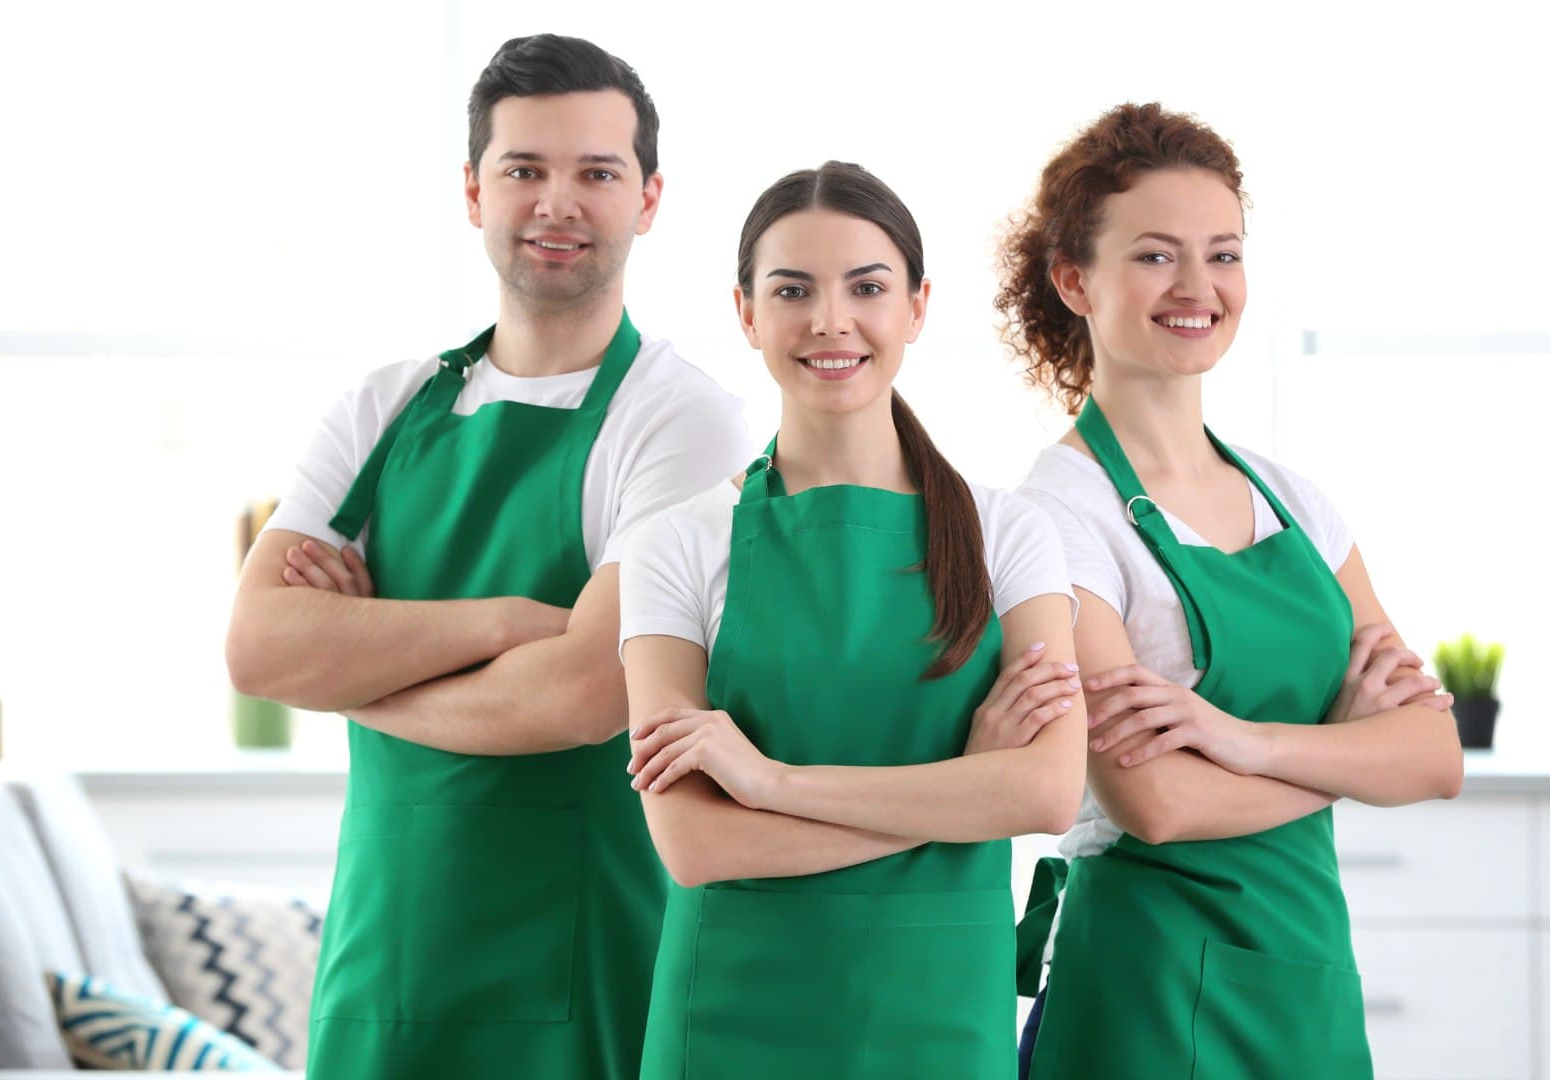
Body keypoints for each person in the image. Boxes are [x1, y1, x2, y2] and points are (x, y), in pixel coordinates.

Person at [222, 34, 753, 1079]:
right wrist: (505, 624)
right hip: (385, 965)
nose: (559, 202)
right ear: (474, 192)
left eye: (597, 173)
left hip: (582, 969)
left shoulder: (680, 421)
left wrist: (357, 674)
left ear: (649, 199)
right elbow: (258, 650)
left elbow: (580, 696)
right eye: (525, 170)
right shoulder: (383, 404)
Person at [1000, 103, 1464, 1080]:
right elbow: (1152, 799)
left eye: (1223, 253)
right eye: (1157, 256)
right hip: (1146, 999)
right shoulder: (1059, 514)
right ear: (1074, 278)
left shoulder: (1291, 501)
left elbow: (1433, 756)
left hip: (1305, 982)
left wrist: (1236, 738)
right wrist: (1349, 751)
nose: (1198, 287)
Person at [617, 161, 1085, 1080]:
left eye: (866, 287)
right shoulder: (677, 544)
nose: (832, 320)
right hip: (730, 1022)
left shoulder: (1010, 535)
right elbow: (697, 841)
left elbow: (1044, 793)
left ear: (916, 307)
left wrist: (769, 782)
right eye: (793, 290)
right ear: (747, 313)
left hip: (942, 1016)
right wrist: (960, 787)